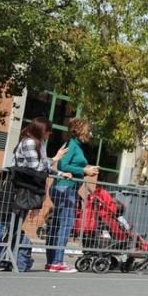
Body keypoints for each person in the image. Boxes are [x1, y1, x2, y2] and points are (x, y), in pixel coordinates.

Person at [0, 118, 70, 271]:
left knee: (14, 226)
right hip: (17, 189)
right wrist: (55, 158)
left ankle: (4, 259)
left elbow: (42, 167)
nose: (50, 134)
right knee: (6, 224)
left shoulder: (38, 144)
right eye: (48, 130)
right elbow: (36, 167)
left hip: (24, 189)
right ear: (41, 129)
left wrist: (60, 173)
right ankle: (2, 256)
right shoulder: (30, 142)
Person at [44, 117, 99, 273]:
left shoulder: (76, 146)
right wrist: (84, 170)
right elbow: (63, 165)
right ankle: (57, 262)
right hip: (65, 189)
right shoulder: (72, 145)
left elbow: (72, 165)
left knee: (57, 225)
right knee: (65, 225)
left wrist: (88, 168)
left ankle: (52, 262)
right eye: (88, 130)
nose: (90, 133)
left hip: (65, 188)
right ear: (81, 130)